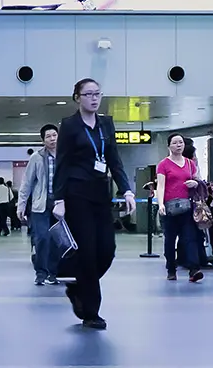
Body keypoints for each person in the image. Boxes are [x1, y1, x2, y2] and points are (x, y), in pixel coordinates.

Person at [54, 78, 136, 330]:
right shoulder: (69, 126)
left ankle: (79, 286)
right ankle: (91, 312)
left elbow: (114, 159)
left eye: (97, 94)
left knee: (107, 250)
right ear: (77, 97)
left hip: (102, 194)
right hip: (77, 195)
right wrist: (58, 199)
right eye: (88, 94)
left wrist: (127, 190)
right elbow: (62, 164)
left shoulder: (106, 124)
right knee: (87, 252)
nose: (94, 98)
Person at [155, 133, 204, 283]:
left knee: (190, 238)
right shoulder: (163, 164)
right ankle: (171, 268)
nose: (178, 145)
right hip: (169, 208)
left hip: (187, 206)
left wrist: (195, 184)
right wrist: (161, 203)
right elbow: (161, 185)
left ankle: (193, 269)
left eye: (181, 142)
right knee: (170, 240)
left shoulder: (190, 164)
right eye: (175, 143)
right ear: (169, 146)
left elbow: (198, 181)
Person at [24, 124, 60, 286]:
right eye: (48, 137)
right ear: (43, 140)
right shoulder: (36, 157)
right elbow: (27, 183)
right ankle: (40, 272)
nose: (52, 139)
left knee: (56, 240)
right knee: (42, 238)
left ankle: (53, 272)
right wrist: (21, 206)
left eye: (54, 135)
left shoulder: (66, 155)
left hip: (61, 205)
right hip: (41, 205)